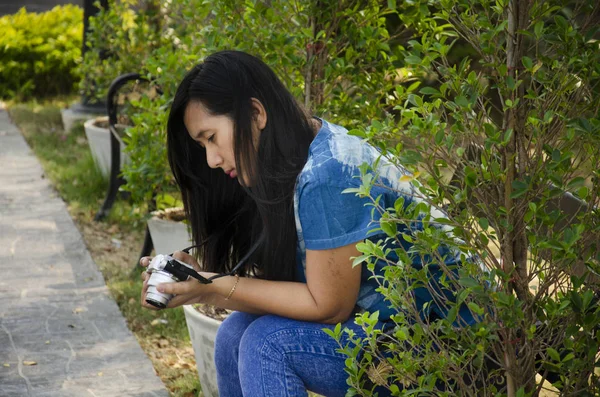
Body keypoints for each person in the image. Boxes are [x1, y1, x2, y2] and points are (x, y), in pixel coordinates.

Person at [139, 50, 475, 396]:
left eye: (211, 138)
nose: (210, 159)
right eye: (202, 145)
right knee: (233, 334)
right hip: (390, 330)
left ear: (256, 113)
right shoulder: (288, 161)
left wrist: (214, 287)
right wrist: (203, 279)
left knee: (267, 344)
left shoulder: (327, 172)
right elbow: (297, 293)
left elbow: (329, 306)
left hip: (454, 349)